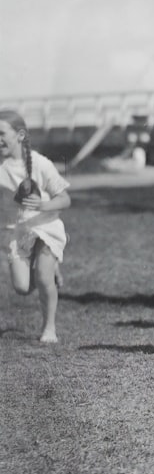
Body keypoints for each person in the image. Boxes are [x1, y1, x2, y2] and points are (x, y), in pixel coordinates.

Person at [0, 110, 71, 343]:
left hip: (45, 227)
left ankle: (49, 328)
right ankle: (49, 268)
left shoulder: (41, 163)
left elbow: (65, 199)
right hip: (16, 231)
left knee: (43, 278)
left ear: (20, 135)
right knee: (22, 287)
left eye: (1, 133)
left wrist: (44, 205)